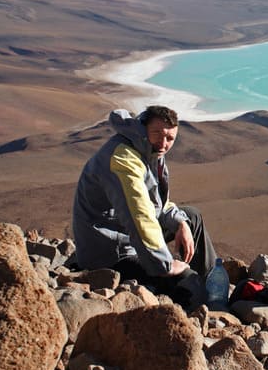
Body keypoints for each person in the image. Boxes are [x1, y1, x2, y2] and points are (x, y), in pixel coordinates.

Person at [72, 105, 219, 309]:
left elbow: (157, 204)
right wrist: (165, 265)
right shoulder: (123, 158)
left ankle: (213, 285)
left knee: (190, 217)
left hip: (124, 235)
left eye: (170, 138)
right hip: (110, 252)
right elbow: (139, 216)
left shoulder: (148, 151)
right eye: (157, 133)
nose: (163, 143)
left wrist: (180, 223)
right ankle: (201, 311)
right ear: (143, 128)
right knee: (187, 281)